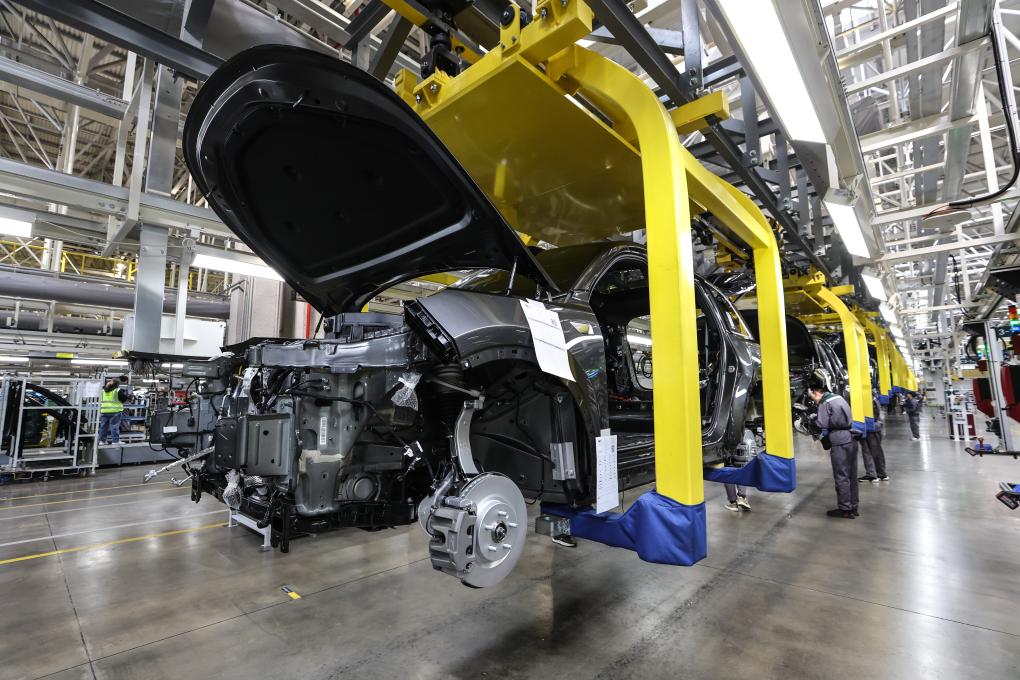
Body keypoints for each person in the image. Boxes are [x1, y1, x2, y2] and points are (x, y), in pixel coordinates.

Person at [808, 379, 858, 519]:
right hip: (851, 438)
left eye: (813, 398)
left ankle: (845, 509)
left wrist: (811, 419)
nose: (814, 401)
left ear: (817, 393)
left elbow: (821, 423)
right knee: (852, 476)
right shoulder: (839, 397)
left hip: (839, 440)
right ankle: (853, 507)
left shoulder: (825, 402)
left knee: (841, 475)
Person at [859, 390, 889, 483]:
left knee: (867, 452)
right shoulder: (874, 399)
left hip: (870, 429)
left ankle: (872, 475)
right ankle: (881, 474)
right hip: (875, 428)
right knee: (877, 452)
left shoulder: (868, 402)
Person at [98, 376, 126, 445]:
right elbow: (124, 399)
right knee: (114, 427)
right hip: (115, 411)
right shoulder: (117, 390)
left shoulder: (103, 390)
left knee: (103, 427)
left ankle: (102, 441)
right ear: (117, 384)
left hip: (104, 411)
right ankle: (115, 441)